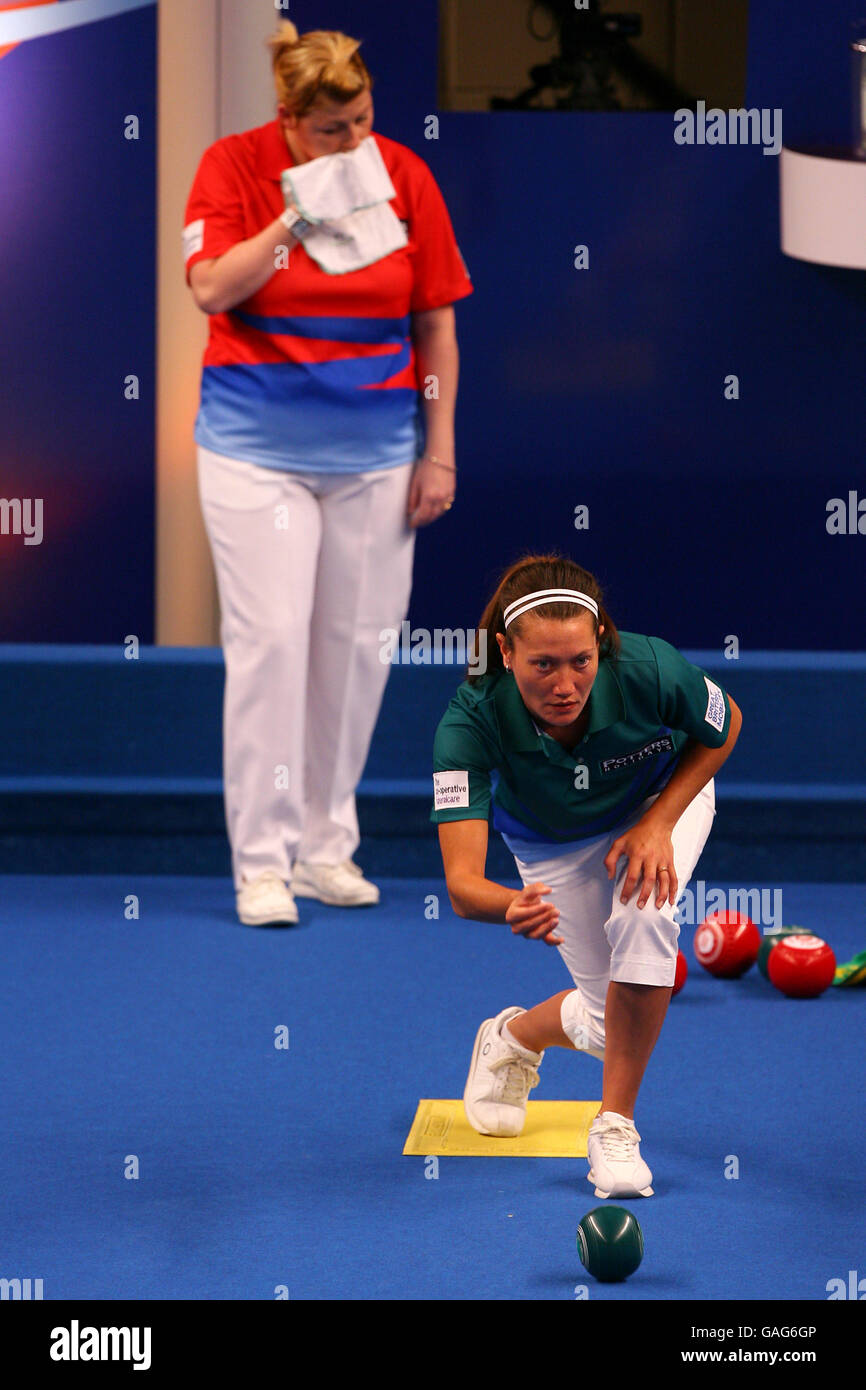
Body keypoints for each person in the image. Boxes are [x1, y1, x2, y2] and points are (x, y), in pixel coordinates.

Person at [183, 21, 472, 926]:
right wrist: (298, 213)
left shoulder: (406, 177)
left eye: (364, 121)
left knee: (354, 655)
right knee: (272, 645)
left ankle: (326, 848)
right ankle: (261, 865)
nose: (355, 143)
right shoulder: (230, 167)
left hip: (378, 457)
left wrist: (439, 447)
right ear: (289, 120)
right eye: (334, 130)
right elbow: (213, 289)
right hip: (253, 454)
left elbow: (434, 325)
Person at [431, 553, 742, 1198]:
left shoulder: (648, 666)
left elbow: (725, 723)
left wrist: (659, 822)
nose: (566, 684)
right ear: (506, 653)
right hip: (552, 846)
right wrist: (510, 905)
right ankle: (512, 1036)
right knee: (611, 1027)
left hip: (658, 804)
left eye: (581, 661)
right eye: (542, 664)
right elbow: (462, 885)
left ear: (601, 642)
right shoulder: (468, 721)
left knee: (644, 914)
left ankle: (615, 1128)